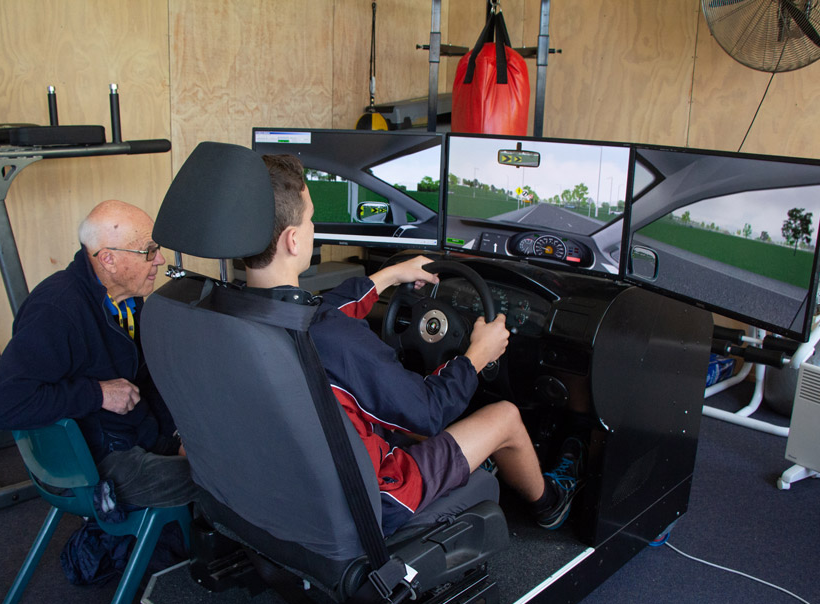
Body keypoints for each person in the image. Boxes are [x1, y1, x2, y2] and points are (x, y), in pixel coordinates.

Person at [244, 154, 584, 535]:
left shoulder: (231, 316)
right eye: (309, 220)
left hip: (296, 482)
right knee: (504, 415)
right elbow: (429, 409)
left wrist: (390, 274)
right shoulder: (334, 338)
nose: (312, 229)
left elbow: (328, 308)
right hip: (375, 496)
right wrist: (477, 356)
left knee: (405, 419)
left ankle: (476, 462)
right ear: (293, 240)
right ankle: (552, 502)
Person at [0, 200, 200, 509]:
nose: (160, 260)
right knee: (220, 479)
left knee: (218, 462)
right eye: (148, 251)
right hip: (91, 466)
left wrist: (175, 442)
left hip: (132, 438)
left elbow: (146, 382)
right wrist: (97, 393)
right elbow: (3, 406)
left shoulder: (129, 301)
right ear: (108, 260)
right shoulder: (56, 310)